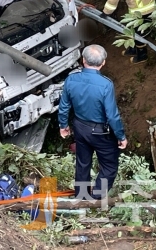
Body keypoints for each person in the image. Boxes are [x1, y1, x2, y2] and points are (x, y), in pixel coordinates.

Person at [58, 45, 127, 200]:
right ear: (103, 62)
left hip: (80, 128)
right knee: (109, 166)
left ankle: (81, 198)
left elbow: (64, 106)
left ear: (83, 60)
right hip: (101, 132)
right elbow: (112, 115)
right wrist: (121, 136)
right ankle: (96, 198)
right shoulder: (105, 84)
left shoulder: (71, 79)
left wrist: (63, 125)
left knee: (83, 164)